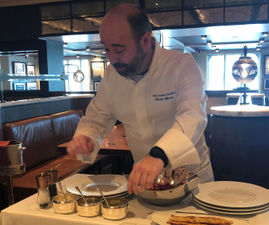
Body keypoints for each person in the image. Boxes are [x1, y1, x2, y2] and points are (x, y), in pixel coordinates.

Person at [66, 3, 213, 195]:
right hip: (145, 179)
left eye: (118, 50)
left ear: (145, 40)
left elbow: (192, 116)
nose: (112, 59)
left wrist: (159, 155)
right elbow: (96, 118)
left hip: (191, 178)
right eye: (107, 50)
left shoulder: (181, 66)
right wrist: (86, 138)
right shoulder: (111, 76)